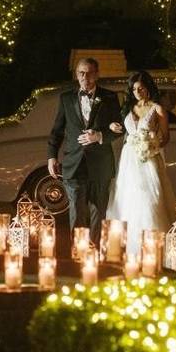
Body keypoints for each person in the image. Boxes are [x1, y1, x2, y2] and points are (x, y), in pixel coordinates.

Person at [47, 57, 124, 242]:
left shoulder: (109, 97)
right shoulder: (66, 98)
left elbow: (121, 128)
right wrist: (51, 156)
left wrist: (99, 136)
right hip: (74, 163)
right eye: (81, 72)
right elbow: (57, 130)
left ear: (97, 75)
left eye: (89, 73)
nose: (85, 76)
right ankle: (78, 251)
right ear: (76, 74)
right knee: (77, 208)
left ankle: (95, 250)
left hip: (101, 163)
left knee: (98, 209)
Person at [106, 70, 176, 258]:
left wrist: (152, 146)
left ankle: (153, 249)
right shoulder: (127, 109)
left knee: (150, 198)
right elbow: (119, 128)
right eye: (134, 89)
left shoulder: (157, 109)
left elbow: (166, 137)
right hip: (129, 160)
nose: (137, 92)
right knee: (128, 198)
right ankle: (129, 247)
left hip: (149, 160)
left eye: (141, 88)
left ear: (148, 89)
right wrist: (112, 126)